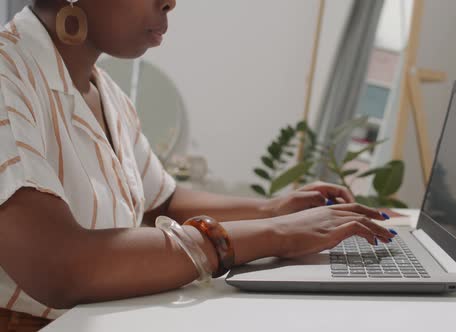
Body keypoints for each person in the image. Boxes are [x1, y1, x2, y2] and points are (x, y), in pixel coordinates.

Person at [0, 1, 395, 330]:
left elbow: (162, 201)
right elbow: (61, 266)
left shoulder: (108, 94)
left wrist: (274, 207)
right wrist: (275, 233)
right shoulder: (7, 76)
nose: (171, 1)